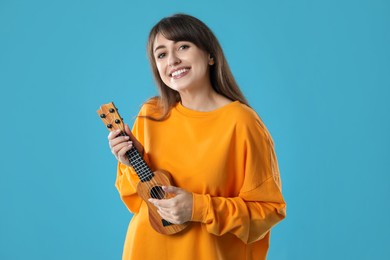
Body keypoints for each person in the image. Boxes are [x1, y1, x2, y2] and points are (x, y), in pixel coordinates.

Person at [108, 13, 286, 260]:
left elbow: (267, 212)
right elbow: (135, 201)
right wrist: (130, 163)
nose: (173, 60)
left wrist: (198, 208)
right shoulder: (150, 114)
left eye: (183, 46)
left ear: (210, 55)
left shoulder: (242, 122)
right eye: (161, 54)